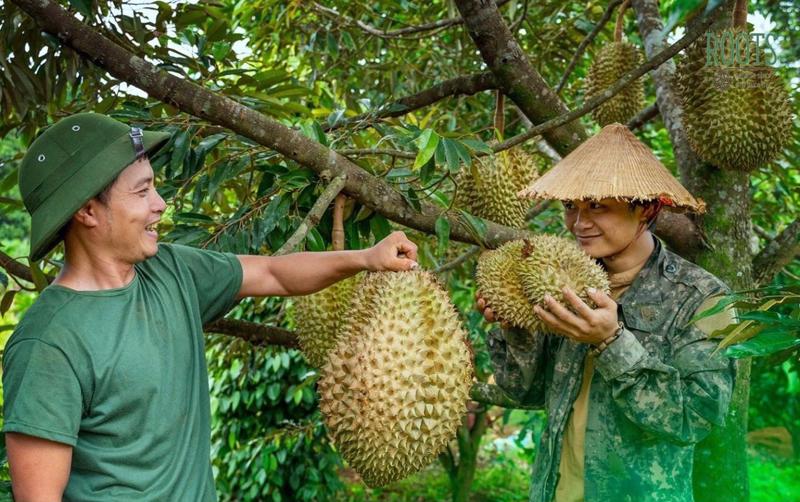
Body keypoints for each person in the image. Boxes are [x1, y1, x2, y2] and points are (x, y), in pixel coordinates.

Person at [2, 112, 419, 501]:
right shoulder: (49, 343)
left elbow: (275, 273)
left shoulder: (171, 271)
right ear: (87, 212)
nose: (159, 204)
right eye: (142, 191)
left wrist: (366, 257)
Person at [476, 123, 736, 502]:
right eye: (570, 206)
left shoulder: (702, 298)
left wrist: (611, 342)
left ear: (646, 208)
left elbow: (696, 418)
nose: (579, 223)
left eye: (597, 206)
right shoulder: (560, 280)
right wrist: (516, 327)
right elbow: (524, 392)